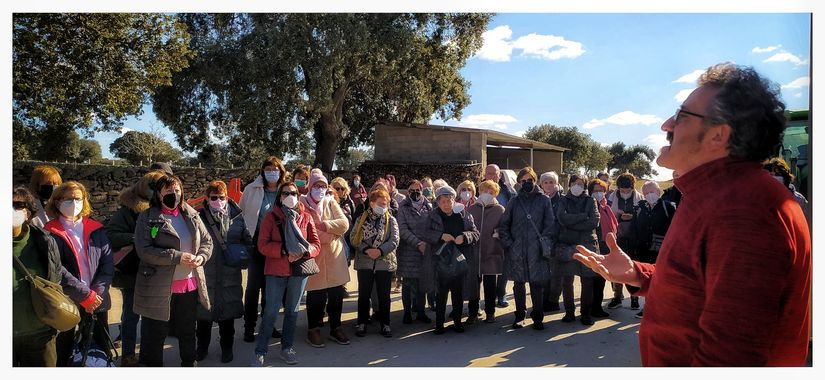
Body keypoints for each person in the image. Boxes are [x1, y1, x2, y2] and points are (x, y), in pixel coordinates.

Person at [575, 63, 811, 365]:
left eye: (682, 116)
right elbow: (701, 284)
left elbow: (734, 358)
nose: (666, 125)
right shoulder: (717, 195)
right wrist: (637, 273)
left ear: (718, 135)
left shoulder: (743, 209)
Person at [133, 174, 212, 367]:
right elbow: (144, 250)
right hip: (158, 287)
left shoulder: (191, 214)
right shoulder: (148, 218)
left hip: (189, 286)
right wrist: (176, 256)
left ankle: (189, 364)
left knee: (187, 331)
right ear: (159, 195)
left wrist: (201, 257)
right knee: (155, 333)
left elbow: (207, 241)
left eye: (177, 190)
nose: (174, 194)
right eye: (168, 191)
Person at [42, 181, 113, 366]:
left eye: (78, 199)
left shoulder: (96, 228)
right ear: (57, 202)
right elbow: (56, 268)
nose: (74, 203)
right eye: (68, 199)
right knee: (63, 347)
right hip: (67, 300)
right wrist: (84, 295)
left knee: (100, 346)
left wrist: (95, 294)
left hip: (97, 299)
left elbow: (107, 263)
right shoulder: (49, 232)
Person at [252, 182, 321, 366]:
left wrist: (304, 252)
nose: (289, 196)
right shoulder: (270, 217)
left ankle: (286, 348)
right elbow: (262, 245)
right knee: (271, 312)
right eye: (285, 193)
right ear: (279, 196)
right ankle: (261, 351)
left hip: (298, 272)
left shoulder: (306, 217)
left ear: (298, 196)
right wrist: (284, 251)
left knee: (292, 311)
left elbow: (316, 244)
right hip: (276, 271)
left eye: (293, 193)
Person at [105, 170, 165, 366]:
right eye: (152, 187)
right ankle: (128, 355)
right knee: (131, 316)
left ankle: (148, 353)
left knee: (152, 317)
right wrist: (137, 238)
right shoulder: (126, 211)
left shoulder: (162, 209)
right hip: (132, 272)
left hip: (155, 272)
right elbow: (111, 234)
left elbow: (160, 233)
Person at [195, 180, 253, 363]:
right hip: (206, 274)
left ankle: (227, 349)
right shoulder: (198, 217)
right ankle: (201, 348)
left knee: (227, 319)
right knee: (203, 317)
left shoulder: (237, 217)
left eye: (221, 197)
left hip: (230, 275)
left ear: (227, 197)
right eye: (214, 197)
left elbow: (248, 241)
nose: (218, 201)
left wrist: (243, 256)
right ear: (207, 198)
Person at [13, 186, 67, 367]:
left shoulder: (45, 241)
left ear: (27, 212)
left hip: (40, 335)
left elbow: (56, 278)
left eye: (17, 205)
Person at [498, 167, 555, 330]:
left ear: (535, 180)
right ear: (519, 182)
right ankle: (520, 316)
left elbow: (550, 225)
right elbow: (504, 225)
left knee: (537, 285)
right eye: (523, 180)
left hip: (536, 250)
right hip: (518, 251)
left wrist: (542, 243)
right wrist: (510, 244)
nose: (527, 183)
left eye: (530, 180)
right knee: (519, 284)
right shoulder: (514, 201)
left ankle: (538, 317)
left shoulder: (544, 200)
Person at [238, 156, 287, 342]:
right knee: (253, 288)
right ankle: (249, 326)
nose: (271, 172)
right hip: (256, 243)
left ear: (281, 171)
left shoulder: (285, 191)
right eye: (268, 168)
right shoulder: (251, 189)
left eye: (275, 168)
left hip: (278, 245)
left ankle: (269, 324)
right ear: (262, 171)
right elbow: (240, 215)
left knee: (271, 289)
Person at [301, 169, 352, 348]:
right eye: (316, 185)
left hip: (334, 257)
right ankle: (313, 329)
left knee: (336, 294)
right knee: (316, 296)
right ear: (310, 186)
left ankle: (336, 327)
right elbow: (305, 231)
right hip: (313, 256)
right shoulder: (301, 203)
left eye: (323, 186)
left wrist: (323, 225)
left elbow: (344, 224)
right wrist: (332, 234)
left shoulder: (330, 202)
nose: (320, 189)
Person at [419, 185, 479, 334]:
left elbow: (476, 233)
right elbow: (423, 232)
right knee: (440, 294)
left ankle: (457, 322)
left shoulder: (464, 215)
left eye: (449, 200)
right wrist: (440, 236)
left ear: (454, 200)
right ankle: (439, 324)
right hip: (439, 261)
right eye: (443, 201)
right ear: (438, 202)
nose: (446, 204)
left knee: (457, 294)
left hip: (459, 261)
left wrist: (464, 237)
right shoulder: (432, 215)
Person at [351, 188, 400, 338]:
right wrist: (366, 249)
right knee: (364, 294)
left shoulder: (390, 219)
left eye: (385, 204)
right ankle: (362, 322)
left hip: (383, 263)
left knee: (384, 295)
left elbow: (394, 239)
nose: (383, 206)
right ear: (371, 203)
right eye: (380, 203)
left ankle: (385, 323)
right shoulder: (361, 219)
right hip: (365, 262)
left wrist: (380, 251)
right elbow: (354, 237)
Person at [553, 174, 600, 326]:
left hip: (587, 245)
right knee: (567, 281)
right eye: (574, 183)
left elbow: (594, 221)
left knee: (587, 280)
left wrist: (571, 222)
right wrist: (582, 217)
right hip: (567, 244)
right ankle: (569, 312)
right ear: (569, 184)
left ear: (585, 186)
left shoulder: (590, 200)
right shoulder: (563, 200)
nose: (577, 186)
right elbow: (561, 218)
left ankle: (586, 313)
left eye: (580, 184)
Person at [632, 181, 676, 319]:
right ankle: (648, 307)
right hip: (644, 250)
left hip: (662, 250)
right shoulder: (640, 208)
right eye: (646, 193)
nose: (650, 195)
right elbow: (635, 228)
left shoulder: (668, 207)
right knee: (647, 280)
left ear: (659, 192)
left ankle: (662, 308)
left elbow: (675, 228)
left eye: (653, 192)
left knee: (662, 280)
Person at [467, 180, 506, 323]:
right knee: (473, 284)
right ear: (479, 192)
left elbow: (505, 227)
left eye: (491, 192)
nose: (487, 195)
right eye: (484, 192)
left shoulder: (500, 209)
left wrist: (498, 233)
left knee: (490, 284)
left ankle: (490, 312)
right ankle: (473, 312)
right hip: (474, 252)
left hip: (492, 251)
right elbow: (466, 228)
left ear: (495, 194)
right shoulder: (471, 209)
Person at [396, 180, 434, 324]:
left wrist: (427, 243)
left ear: (422, 189)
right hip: (408, 251)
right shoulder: (403, 207)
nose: (415, 193)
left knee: (421, 283)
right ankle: (407, 313)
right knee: (407, 284)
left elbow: (433, 225)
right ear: (407, 191)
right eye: (411, 190)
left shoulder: (429, 206)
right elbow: (402, 229)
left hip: (425, 250)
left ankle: (420, 312)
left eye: (417, 190)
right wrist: (418, 243)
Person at [606, 172, 642, 310]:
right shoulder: (612, 197)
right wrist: (619, 217)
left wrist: (632, 217)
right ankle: (617, 296)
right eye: (622, 189)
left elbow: (642, 217)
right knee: (617, 267)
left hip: (634, 239)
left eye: (628, 189)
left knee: (634, 269)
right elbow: (608, 215)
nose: (625, 192)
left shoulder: (639, 198)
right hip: (618, 238)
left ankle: (634, 297)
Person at [483, 164, 516, 308]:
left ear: (499, 175)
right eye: (488, 173)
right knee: (486, 268)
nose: (491, 176)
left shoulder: (509, 192)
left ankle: (501, 293)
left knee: (504, 265)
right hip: (485, 236)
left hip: (505, 234)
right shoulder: (479, 190)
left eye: (494, 173)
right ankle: (486, 297)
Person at [587, 178, 617, 319]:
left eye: (601, 191)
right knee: (590, 281)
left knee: (600, 280)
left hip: (604, 247)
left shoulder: (606, 206)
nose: (598, 194)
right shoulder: (588, 205)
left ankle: (597, 308)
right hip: (592, 246)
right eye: (595, 191)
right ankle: (589, 309)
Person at [539, 171, 566, 312]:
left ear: (556, 183)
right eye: (545, 182)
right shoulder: (539, 199)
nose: (548, 185)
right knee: (544, 273)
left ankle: (553, 300)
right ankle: (544, 299)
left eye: (551, 182)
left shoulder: (563, 199)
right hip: (543, 241)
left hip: (558, 240)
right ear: (541, 184)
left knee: (557, 273)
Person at [764, 157, 810, 226]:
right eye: (771, 175)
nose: (774, 178)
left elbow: (807, 223)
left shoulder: (798, 200)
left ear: (785, 176)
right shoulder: (761, 199)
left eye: (777, 174)